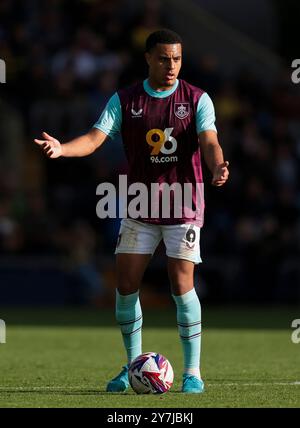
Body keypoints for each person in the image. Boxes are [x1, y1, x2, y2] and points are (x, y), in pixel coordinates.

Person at [34, 29, 229, 394]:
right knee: (125, 285)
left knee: (180, 283)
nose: (171, 65)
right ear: (148, 59)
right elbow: (94, 138)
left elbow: (210, 140)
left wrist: (217, 165)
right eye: (163, 58)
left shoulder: (197, 98)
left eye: (177, 58)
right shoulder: (125, 100)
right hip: (140, 201)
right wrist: (62, 149)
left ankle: (193, 372)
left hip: (183, 201)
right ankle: (132, 366)